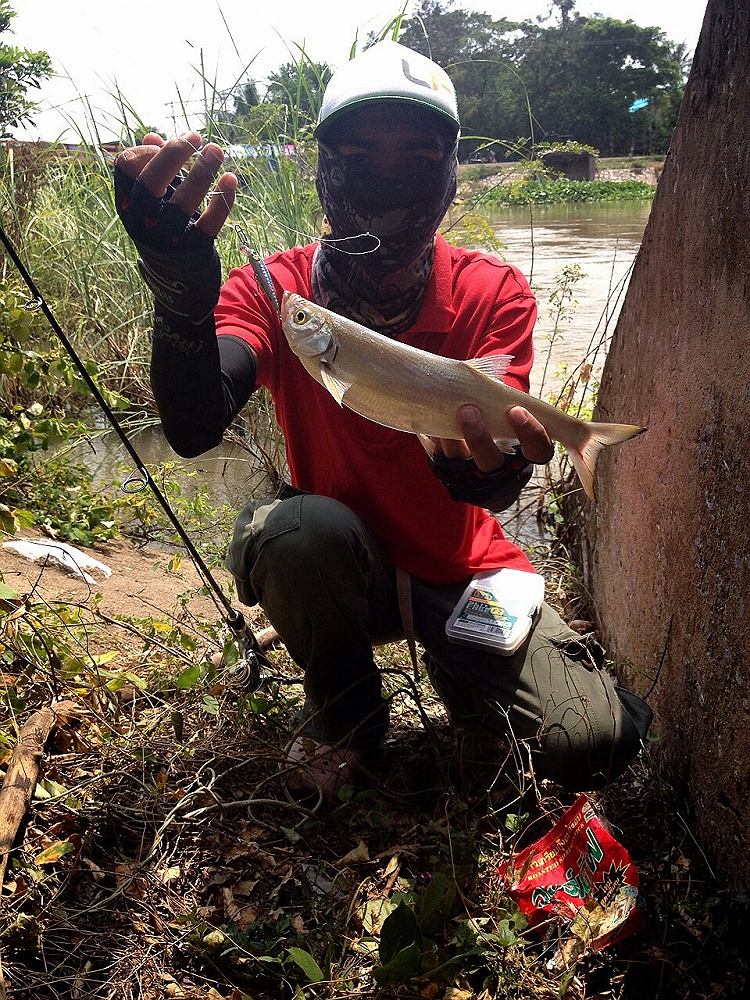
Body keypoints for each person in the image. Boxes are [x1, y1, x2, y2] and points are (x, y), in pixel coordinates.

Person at [114, 41, 651, 801]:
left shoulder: (492, 292)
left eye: (418, 155)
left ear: (448, 169)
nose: (388, 178)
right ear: (327, 165)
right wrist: (179, 296)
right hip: (344, 571)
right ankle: (347, 717)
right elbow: (196, 421)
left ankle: (467, 674)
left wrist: (486, 469)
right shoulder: (277, 290)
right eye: (362, 155)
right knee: (294, 533)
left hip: (465, 569)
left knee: (591, 743)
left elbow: (494, 487)